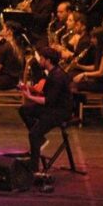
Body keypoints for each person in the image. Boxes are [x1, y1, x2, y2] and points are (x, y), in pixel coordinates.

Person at [19, 47, 74, 175]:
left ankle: (35, 170)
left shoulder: (57, 77)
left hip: (59, 112)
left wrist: (30, 97)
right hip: (53, 107)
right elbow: (48, 95)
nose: (40, 60)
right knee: (24, 110)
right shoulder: (53, 73)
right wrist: (31, 90)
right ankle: (41, 140)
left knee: (33, 134)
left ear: (48, 60)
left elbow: (48, 101)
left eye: (42, 58)